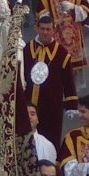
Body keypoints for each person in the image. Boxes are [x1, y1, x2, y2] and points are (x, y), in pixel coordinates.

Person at [20, 15, 78, 150]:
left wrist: (71, 104)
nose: (45, 32)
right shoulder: (26, 50)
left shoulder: (62, 54)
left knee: (50, 138)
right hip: (27, 103)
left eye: (48, 29)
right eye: (42, 29)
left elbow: (68, 80)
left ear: (54, 30)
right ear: (36, 28)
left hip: (51, 106)